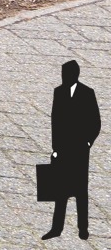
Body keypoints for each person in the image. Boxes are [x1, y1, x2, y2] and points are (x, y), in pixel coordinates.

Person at [49, 59, 101, 239]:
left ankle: (83, 228)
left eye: (66, 74)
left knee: (80, 191)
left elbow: (96, 121)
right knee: (60, 191)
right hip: (63, 149)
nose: (63, 77)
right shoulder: (59, 92)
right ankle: (57, 228)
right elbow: (55, 121)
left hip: (79, 150)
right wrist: (55, 147)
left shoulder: (87, 93)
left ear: (75, 75)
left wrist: (88, 142)